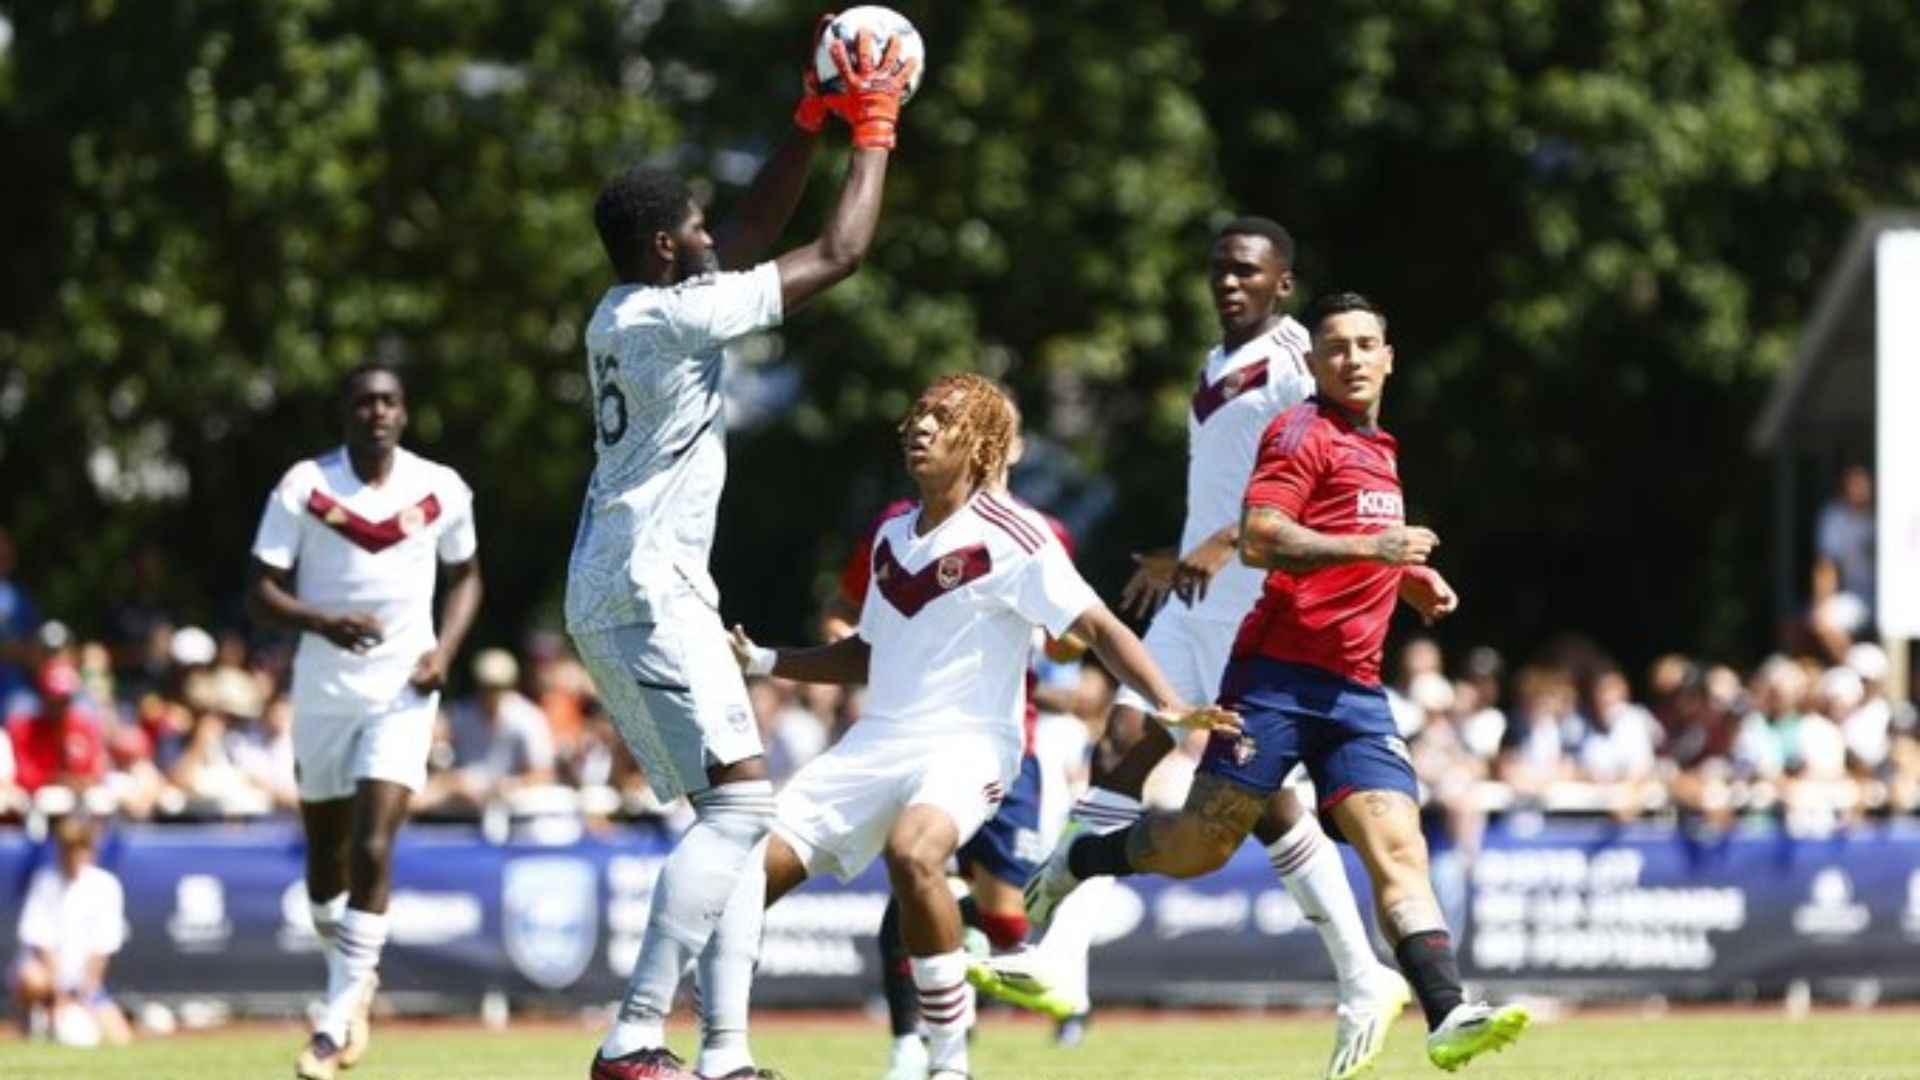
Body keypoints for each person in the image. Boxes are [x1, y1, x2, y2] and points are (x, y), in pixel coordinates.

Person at [1028, 293, 1531, 1071]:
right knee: (1198, 848)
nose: (1354, 359)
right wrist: (1376, 550)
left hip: (1355, 695)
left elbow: (1348, 544)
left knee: (1399, 848)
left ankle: (1446, 1012)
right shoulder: (1299, 431)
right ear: (1314, 361)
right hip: (1274, 682)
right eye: (1337, 347)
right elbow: (1262, 540)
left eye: (1368, 345)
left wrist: (1405, 581)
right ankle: (1080, 862)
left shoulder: (1381, 445)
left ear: (1389, 357)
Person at [564, 22, 915, 1080]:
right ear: (669, 247)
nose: (718, 230)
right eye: (698, 225)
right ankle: (634, 1036)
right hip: (648, 585)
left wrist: (808, 119)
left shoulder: (629, 306)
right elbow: (838, 252)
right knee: (745, 813)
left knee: (727, 819)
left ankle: (725, 1053)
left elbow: (751, 234)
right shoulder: (672, 320)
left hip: (614, 587)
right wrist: (874, 128)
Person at [720, 374, 1237, 1080]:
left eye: (942, 418)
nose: (920, 428)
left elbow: (1096, 625)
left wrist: (1166, 701)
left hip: (970, 745)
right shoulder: (890, 535)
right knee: (741, 882)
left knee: (914, 853)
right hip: (876, 743)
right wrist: (766, 659)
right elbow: (866, 654)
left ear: (984, 443)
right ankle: (722, 1056)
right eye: (917, 416)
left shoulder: (1017, 534)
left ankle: (946, 1058)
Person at [1008, 218, 1408, 1080]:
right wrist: (1183, 548)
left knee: (1251, 802)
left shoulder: (1301, 357)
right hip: (1194, 607)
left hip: (1252, 610)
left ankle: (1360, 975)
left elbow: (1327, 470)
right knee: (1124, 747)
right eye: (1220, 270)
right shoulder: (1218, 358)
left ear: (1284, 283)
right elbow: (1234, 477)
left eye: (1247, 272)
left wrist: (1227, 545)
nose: (1230, 284)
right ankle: (1055, 954)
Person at [247, 361, 482, 1080]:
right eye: (364, 402)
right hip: (323, 691)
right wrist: (319, 619)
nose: (377, 412)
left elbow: (467, 575)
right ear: (345, 412)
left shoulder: (441, 488)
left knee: (374, 848)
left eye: (389, 401)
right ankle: (349, 981)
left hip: (403, 691)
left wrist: (444, 652)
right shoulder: (304, 487)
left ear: (404, 414)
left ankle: (334, 1020)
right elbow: (261, 590)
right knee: (327, 862)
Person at [820, 452, 1084, 1078]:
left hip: (999, 748)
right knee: (914, 865)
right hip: (909, 740)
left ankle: (965, 952)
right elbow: (845, 607)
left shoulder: (1037, 532)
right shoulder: (897, 525)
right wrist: (854, 659)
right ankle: (911, 1043)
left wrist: (1074, 644)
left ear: (1012, 448)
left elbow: (1069, 639)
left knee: (1005, 920)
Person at [10, 815, 132, 1046]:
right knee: (30, 978)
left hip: (84, 981)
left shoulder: (106, 886)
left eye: (79, 849)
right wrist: (59, 994)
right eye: (67, 849)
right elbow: (40, 940)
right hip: (49, 978)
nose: (72, 857)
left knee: (120, 1040)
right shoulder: (46, 881)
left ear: (90, 851)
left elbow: (103, 946)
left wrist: (86, 993)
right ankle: (31, 1025)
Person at [1808, 463, 1874, 662]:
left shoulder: (1890, 514)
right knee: (1819, 624)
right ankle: (1859, 671)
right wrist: (1822, 604)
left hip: (1894, 597)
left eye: (1861, 483)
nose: (1857, 489)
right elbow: (1826, 564)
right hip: (1855, 594)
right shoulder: (1835, 517)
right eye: (1852, 484)